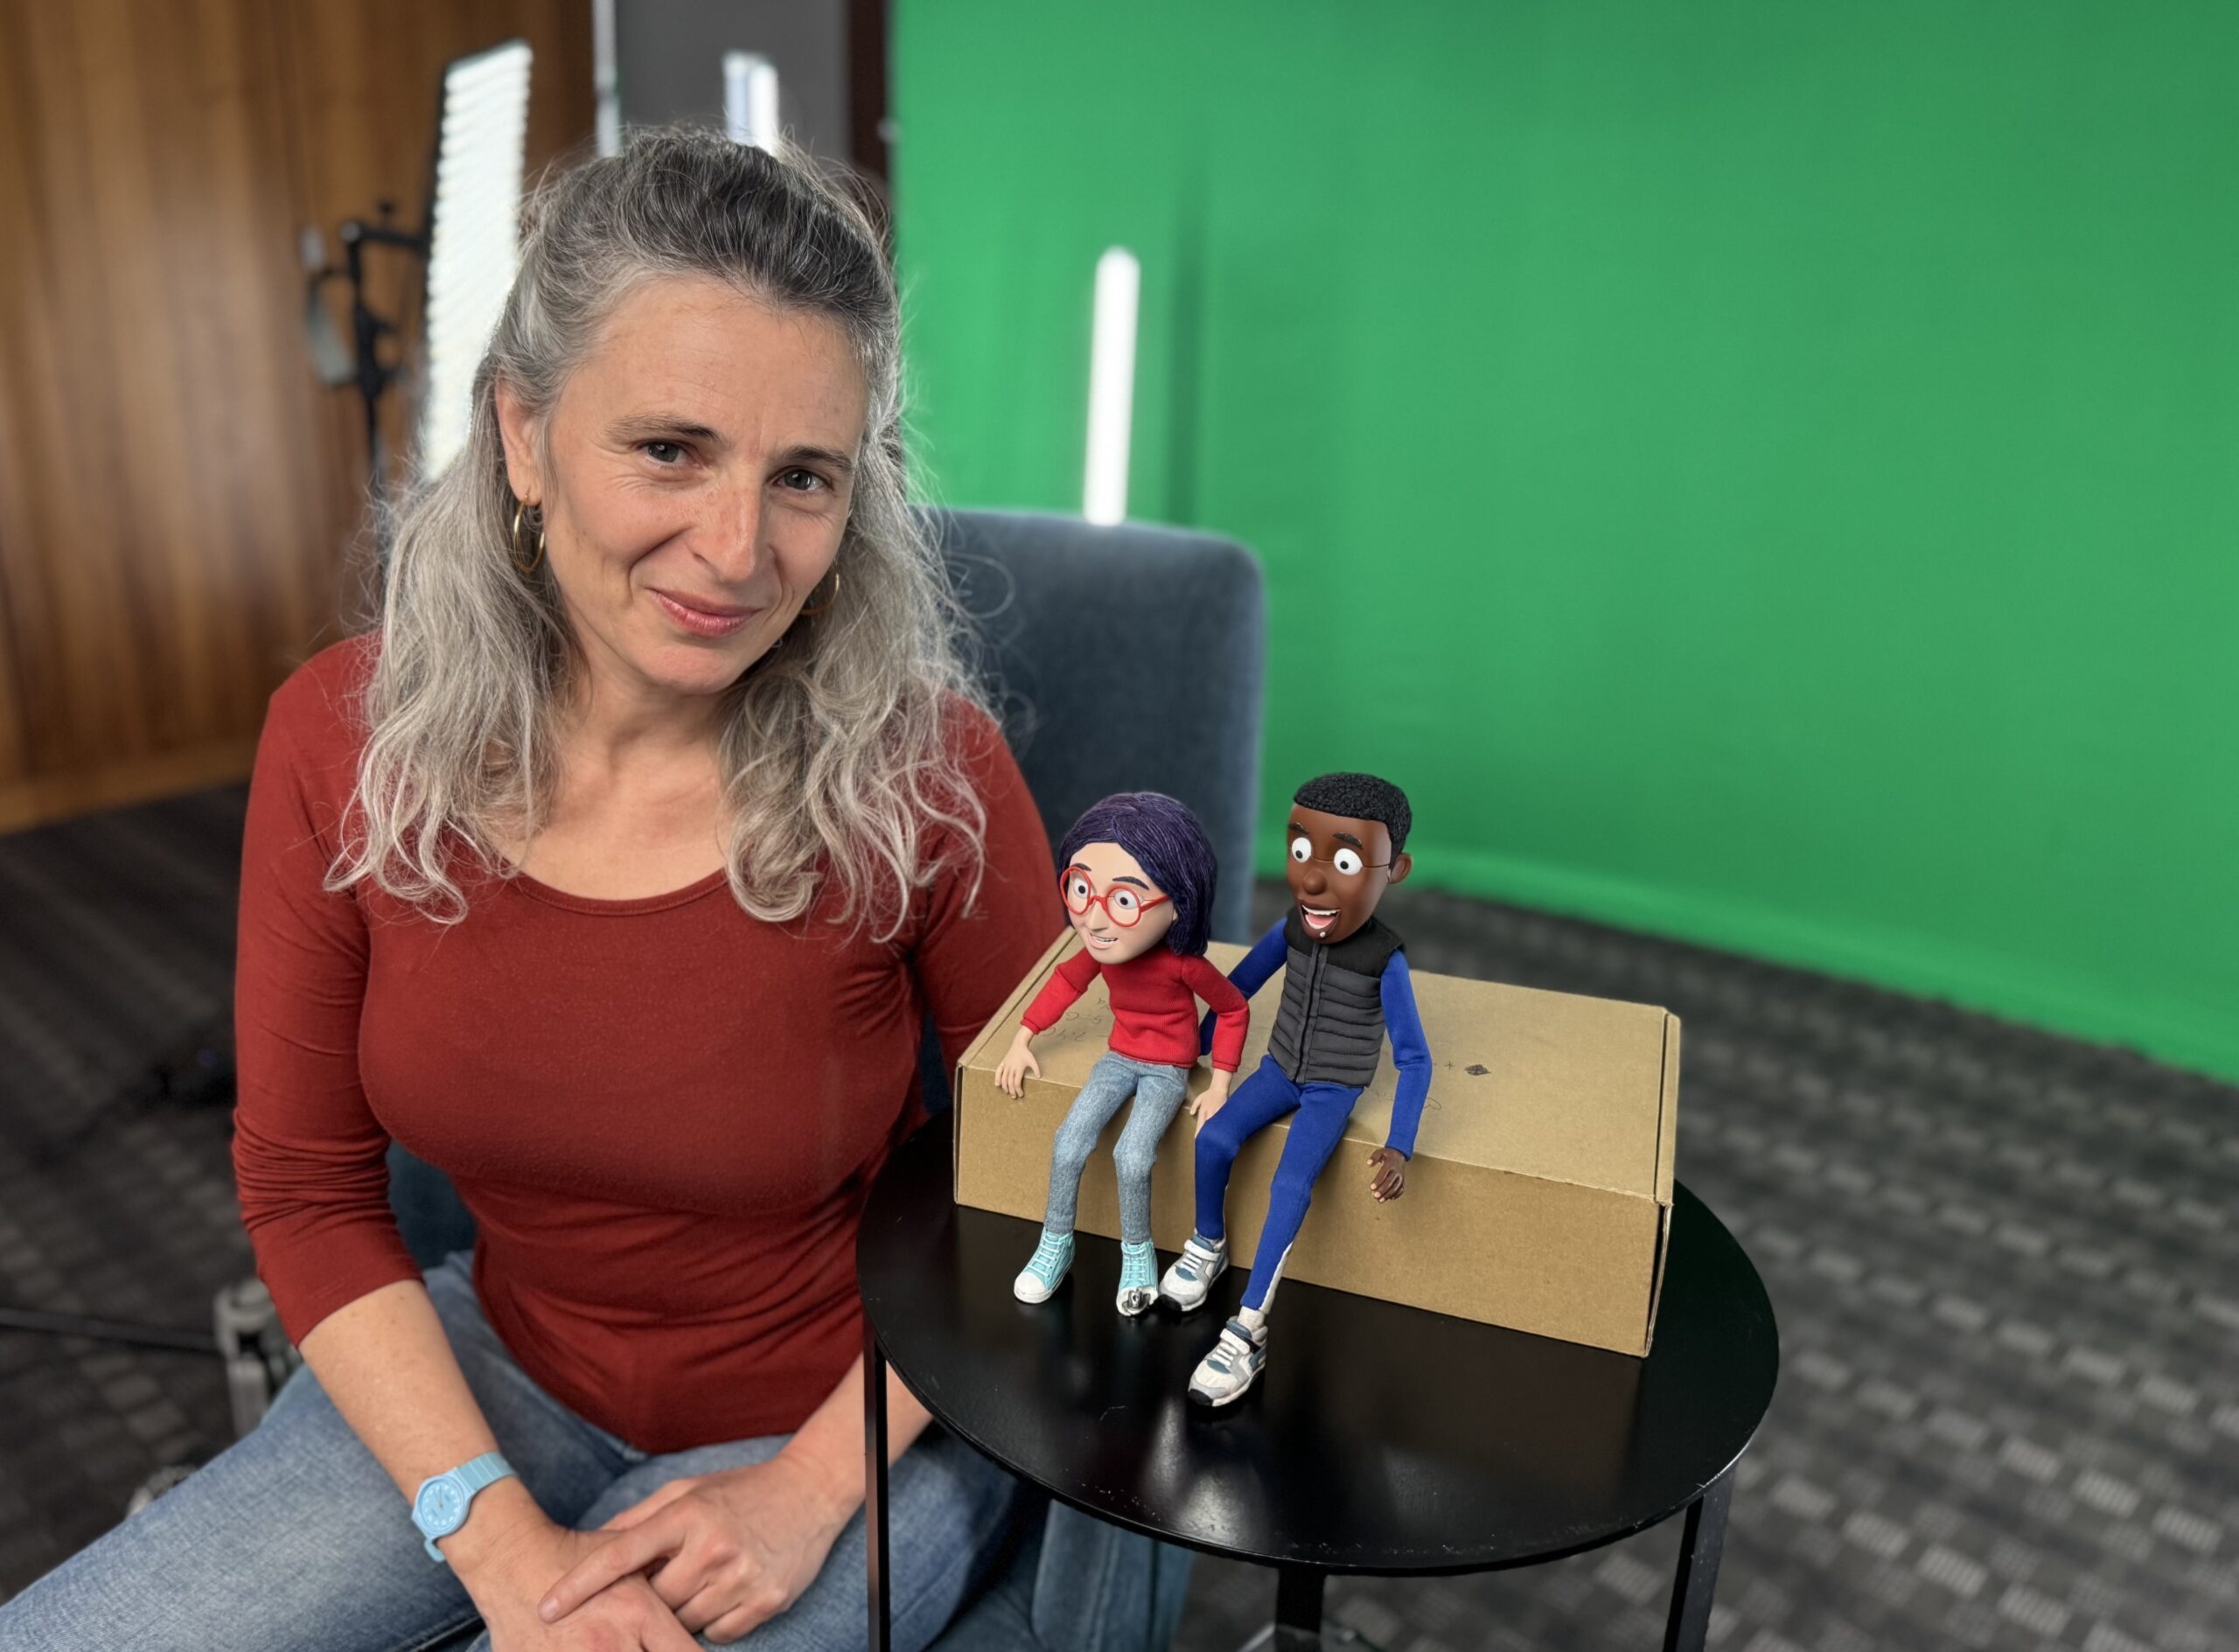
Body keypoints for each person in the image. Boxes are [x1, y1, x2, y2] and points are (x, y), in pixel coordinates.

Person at [0, 127, 1060, 1651]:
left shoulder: (925, 772)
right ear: (520, 432)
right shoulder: (342, 741)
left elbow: (1060, 1181)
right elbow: (304, 1188)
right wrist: (491, 1535)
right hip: (498, 1366)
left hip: (852, 1412)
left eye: (802, 477)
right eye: (670, 449)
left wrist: (810, 1487)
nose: (737, 550)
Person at [1158, 773, 1431, 1407]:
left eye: (1344, 862)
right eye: (1300, 850)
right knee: (1214, 1137)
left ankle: (1248, 1329)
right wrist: (1195, 1040)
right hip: (1278, 1069)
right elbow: (1239, 986)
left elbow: (1415, 1058)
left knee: (1289, 1185)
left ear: (1395, 870)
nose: (1311, 881)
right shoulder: (1291, 928)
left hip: (1334, 1089)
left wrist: (1400, 1145)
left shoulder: (1384, 959)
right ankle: (1208, 1243)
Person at [994, 793, 1248, 1314]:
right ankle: (1055, 1243)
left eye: (1124, 900)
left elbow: (1233, 1009)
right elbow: (1066, 982)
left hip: (1167, 1069)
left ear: (1178, 904)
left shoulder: (1183, 964)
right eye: (1081, 889)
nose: (1094, 919)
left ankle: (1137, 1254)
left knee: (1132, 1157)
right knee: (1068, 1142)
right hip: (1118, 1058)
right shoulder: (1101, 952)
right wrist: (1023, 1037)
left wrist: (1220, 1083)